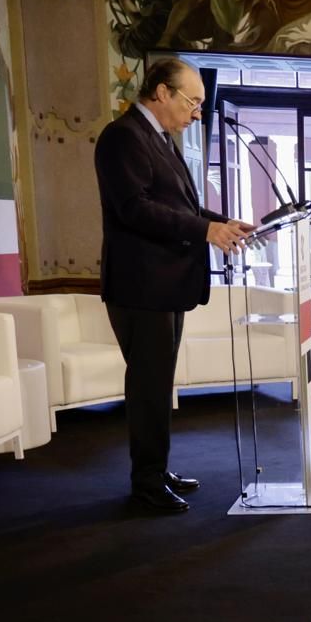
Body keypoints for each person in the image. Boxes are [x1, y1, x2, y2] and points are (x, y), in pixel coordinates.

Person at [95, 59, 254, 513]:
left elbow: (181, 205)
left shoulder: (163, 140)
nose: (197, 113)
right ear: (161, 92)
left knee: (158, 383)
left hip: (165, 285)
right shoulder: (122, 137)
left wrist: (221, 223)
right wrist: (206, 232)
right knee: (148, 386)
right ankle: (145, 484)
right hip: (141, 285)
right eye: (193, 102)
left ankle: (156, 470)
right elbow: (135, 209)